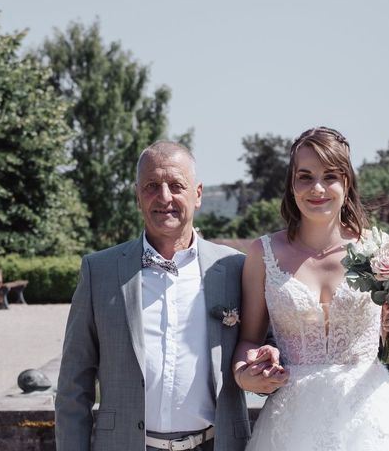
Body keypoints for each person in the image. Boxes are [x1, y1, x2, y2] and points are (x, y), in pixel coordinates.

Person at [232, 127, 389, 450]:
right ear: (291, 184)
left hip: (370, 419)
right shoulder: (263, 254)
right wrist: (246, 374)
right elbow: (248, 339)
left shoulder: (379, 250)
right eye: (305, 176)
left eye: (330, 176)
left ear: (346, 183)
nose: (317, 188)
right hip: (292, 425)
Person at [56, 141, 264, 451]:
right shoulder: (98, 271)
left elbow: (266, 344)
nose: (164, 197)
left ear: (198, 194)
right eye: (152, 186)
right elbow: (74, 385)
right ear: (138, 197)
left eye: (176, 185)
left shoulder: (235, 268)